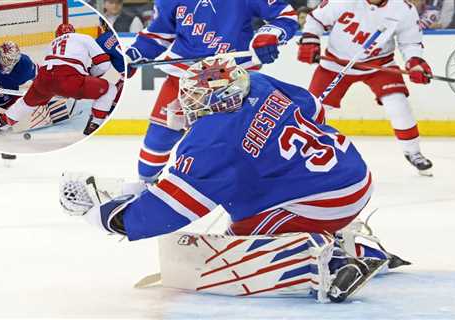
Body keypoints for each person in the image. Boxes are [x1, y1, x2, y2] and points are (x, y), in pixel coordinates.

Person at [60, 57, 409, 302]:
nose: (189, 104)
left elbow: (168, 211)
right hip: (352, 172)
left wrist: (107, 217)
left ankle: (334, 260)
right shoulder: (259, 81)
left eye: (196, 98)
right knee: (254, 197)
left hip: (324, 199)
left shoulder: (214, 140)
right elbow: (314, 112)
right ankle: (348, 237)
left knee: (241, 238)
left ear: (218, 99)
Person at [125, 0, 298, 182]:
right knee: (160, 135)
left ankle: (248, 190)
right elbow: (158, 33)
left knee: (233, 140)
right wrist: (134, 54)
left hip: (232, 77)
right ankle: (144, 184)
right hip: (184, 75)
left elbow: (284, 15)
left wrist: (269, 36)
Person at [298, 0, 434, 175]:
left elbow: (410, 42)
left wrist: (415, 62)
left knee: (397, 104)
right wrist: (310, 41)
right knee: (314, 110)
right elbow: (316, 19)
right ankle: (299, 155)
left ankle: (413, 152)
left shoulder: (403, 9)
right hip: (336, 63)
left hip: (379, 64)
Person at [0, 24, 118, 136]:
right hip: (68, 79)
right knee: (110, 89)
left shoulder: (51, 44)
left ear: (56, 35)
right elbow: (103, 64)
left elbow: (47, 71)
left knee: (25, 104)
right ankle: (94, 126)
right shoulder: (83, 37)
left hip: (44, 80)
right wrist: (90, 76)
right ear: (73, 33)